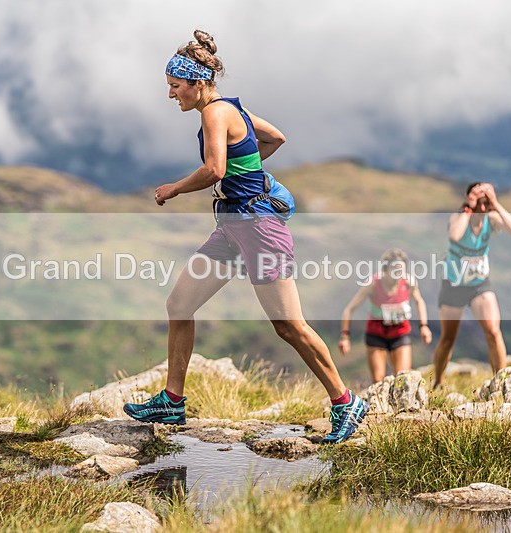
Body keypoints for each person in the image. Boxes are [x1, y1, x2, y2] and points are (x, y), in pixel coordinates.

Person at [123, 30, 366, 444]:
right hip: (233, 228)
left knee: (289, 326)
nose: (171, 95)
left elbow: (215, 169)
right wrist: (247, 168)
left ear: (197, 83)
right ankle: (172, 400)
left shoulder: (215, 113)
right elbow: (275, 138)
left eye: (175, 87)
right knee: (180, 303)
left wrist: (174, 188)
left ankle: (346, 403)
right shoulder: (233, 109)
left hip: (258, 229)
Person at [432, 182, 511, 388]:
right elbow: (454, 235)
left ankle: (501, 382)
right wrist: (468, 206)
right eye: (478, 204)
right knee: (448, 339)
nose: (482, 209)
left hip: (480, 284)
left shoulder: (491, 220)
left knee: (493, 331)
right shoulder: (458, 218)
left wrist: (496, 204)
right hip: (454, 285)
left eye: (485, 204)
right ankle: (438, 380)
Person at [338, 249, 432, 383]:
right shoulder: (373, 284)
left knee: (402, 378)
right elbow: (349, 309)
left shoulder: (409, 282)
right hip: (376, 334)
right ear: (386, 269)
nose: (398, 273)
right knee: (378, 380)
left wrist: (424, 326)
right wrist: (345, 336)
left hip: (400, 332)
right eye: (394, 269)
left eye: (401, 269)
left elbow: (419, 301)